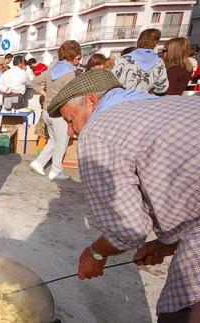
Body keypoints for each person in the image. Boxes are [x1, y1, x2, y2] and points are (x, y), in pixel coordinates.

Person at [47, 69, 200, 323]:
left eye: (70, 120)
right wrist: (165, 244)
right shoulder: (166, 106)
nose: (72, 131)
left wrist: (95, 253)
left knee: (179, 312)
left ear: (92, 102)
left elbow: (127, 229)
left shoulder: (99, 131)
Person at [30, 40, 81, 180]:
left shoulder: (51, 70)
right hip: (60, 113)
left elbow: (34, 83)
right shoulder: (70, 73)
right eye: (78, 57)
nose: (79, 60)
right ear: (73, 56)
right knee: (61, 142)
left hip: (47, 110)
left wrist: (45, 94)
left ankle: (38, 163)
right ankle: (56, 171)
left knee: (53, 140)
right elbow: (71, 96)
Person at [112, 28, 169, 94]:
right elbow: (162, 87)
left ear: (139, 40)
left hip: (123, 99)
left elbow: (113, 80)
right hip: (145, 101)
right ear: (155, 43)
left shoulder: (125, 59)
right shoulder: (159, 62)